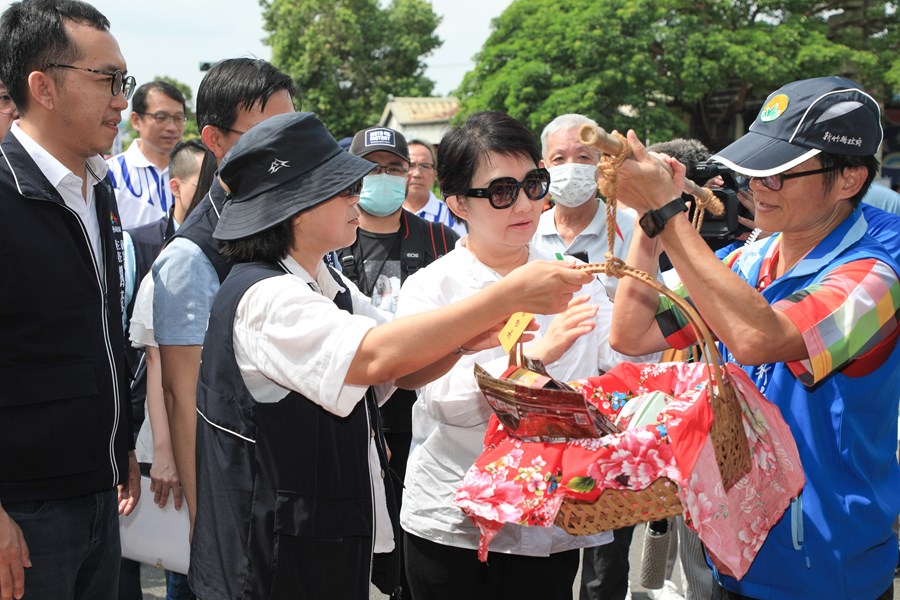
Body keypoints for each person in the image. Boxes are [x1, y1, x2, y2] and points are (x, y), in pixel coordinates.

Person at [187, 111, 593, 599]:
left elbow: (406, 367)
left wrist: (466, 338)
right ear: (296, 208)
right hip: (269, 554)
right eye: (342, 189)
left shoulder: (324, 282)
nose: (356, 198)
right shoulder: (267, 297)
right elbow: (375, 358)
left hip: (317, 535)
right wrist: (506, 299)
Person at [607, 76, 900, 600]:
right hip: (734, 555)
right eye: (756, 170)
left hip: (828, 572)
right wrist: (649, 228)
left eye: (781, 174)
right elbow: (633, 333)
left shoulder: (880, 270)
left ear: (851, 178)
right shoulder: (753, 257)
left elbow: (756, 338)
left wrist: (670, 213)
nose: (759, 187)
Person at [396, 111, 658, 600]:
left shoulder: (571, 275)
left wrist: (650, 229)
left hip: (546, 519)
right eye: (500, 191)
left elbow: (627, 361)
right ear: (457, 203)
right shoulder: (431, 288)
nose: (523, 203)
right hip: (454, 521)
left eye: (533, 184)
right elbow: (441, 401)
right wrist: (532, 357)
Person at [0, 1, 141, 598]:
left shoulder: (98, 191)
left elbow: (99, 332)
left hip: (97, 493)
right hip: (23, 512)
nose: (120, 100)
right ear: (43, 87)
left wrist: (122, 444)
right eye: (106, 79)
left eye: (123, 81)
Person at [151, 58, 296, 533]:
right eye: (267, 132)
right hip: (244, 502)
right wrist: (205, 524)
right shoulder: (191, 256)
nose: (286, 148)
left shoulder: (293, 219)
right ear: (215, 140)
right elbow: (186, 400)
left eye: (292, 128)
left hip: (299, 487)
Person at [338, 125, 460, 595]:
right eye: (373, 169)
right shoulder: (331, 237)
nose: (383, 179)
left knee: (416, 539)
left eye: (394, 169)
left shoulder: (439, 238)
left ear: (409, 175)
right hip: (351, 411)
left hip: (422, 411)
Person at [118, 140, 214, 600]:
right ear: (176, 186)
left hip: (213, 440)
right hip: (172, 435)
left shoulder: (233, 244)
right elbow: (157, 366)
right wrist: (167, 455)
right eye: (205, 183)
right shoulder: (163, 250)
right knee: (184, 565)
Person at [534, 113, 638, 300]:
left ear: (601, 165)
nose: (571, 166)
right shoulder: (529, 233)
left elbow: (653, 304)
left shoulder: (630, 231)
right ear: (544, 168)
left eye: (583, 156)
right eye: (559, 158)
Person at [107, 80, 187, 228]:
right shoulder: (110, 175)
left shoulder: (195, 171)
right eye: (161, 117)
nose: (172, 127)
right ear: (136, 120)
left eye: (178, 118)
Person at [404, 138, 467, 236]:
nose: (417, 174)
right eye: (411, 165)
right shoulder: (387, 213)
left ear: (434, 174)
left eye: (424, 166)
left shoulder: (452, 215)